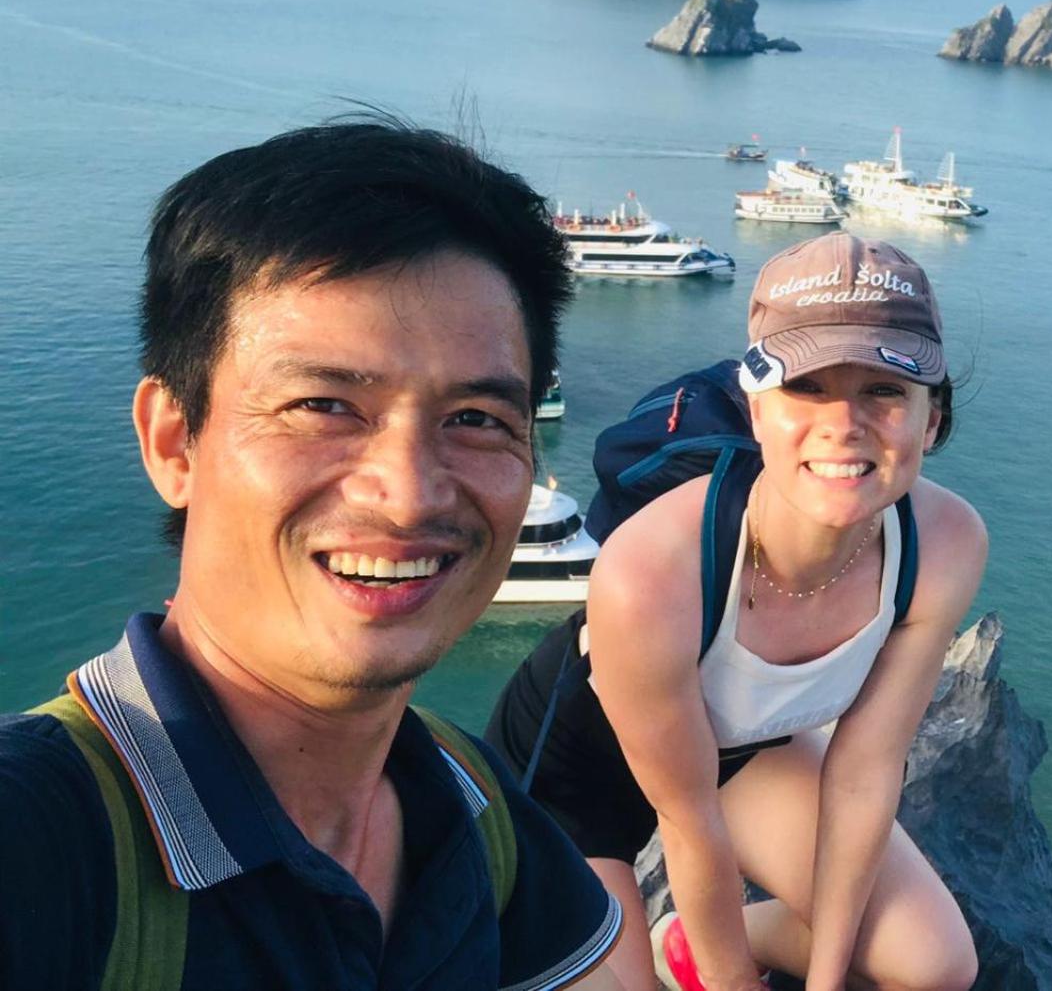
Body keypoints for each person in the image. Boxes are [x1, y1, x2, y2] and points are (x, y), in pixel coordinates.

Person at [0, 119, 623, 990]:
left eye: (476, 419)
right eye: (324, 406)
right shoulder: (39, 845)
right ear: (174, 442)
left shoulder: (474, 809)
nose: (409, 496)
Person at [488, 234, 986, 991]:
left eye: (884, 390)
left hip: (740, 751)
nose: (843, 423)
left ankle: (681, 946)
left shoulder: (944, 544)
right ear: (757, 411)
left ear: (932, 420)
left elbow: (863, 774)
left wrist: (825, 983)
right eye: (807, 386)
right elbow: (688, 827)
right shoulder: (656, 570)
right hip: (573, 775)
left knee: (936, 965)